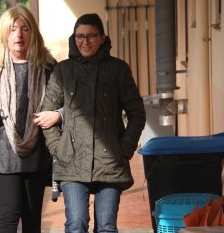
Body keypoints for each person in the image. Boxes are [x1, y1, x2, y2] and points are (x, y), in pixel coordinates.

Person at [41, 13, 146, 233]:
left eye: (90, 36)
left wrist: (124, 149)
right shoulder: (63, 70)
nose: (85, 42)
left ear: (102, 37)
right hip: (71, 162)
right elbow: (46, 113)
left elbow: (137, 113)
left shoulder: (118, 69)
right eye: (80, 36)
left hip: (110, 161)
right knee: (76, 224)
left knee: (107, 226)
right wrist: (57, 149)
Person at [0, 5, 60, 233]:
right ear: (4, 34)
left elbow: (67, 104)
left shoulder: (49, 68)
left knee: (32, 222)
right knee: (8, 219)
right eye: (12, 29)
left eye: (25, 29)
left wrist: (58, 115)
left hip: (37, 156)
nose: (18, 35)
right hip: (3, 158)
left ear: (33, 34)